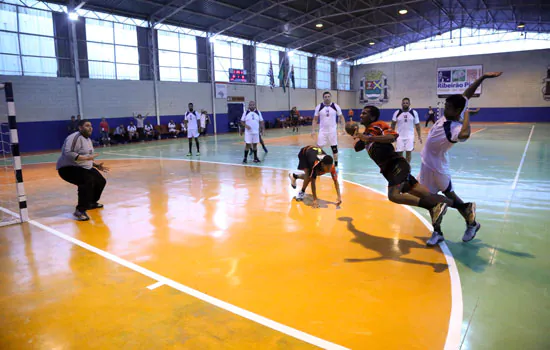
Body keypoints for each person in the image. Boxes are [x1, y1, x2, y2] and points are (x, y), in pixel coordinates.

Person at [419, 72, 502, 246]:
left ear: (457, 111)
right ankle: (438, 231)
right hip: (426, 165)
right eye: (445, 106)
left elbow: (464, 135)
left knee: (448, 198)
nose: (445, 109)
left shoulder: (454, 127)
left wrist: (467, 116)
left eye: (448, 107)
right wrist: (483, 77)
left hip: (438, 167)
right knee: (430, 200)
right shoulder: (449, 115)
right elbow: (466, 95)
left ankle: (470, 220)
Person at [351, 106, 457, 230]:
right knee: (427, 195)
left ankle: (432, 207)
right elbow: (357, 147)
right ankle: (463, 207)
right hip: (388, 170)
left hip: (396, 165)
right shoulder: (367, 132)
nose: (361, 115)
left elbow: (393, 136)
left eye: (364, 113)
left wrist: (369, 138)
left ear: (373, 117)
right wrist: (356, 134)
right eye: (361, 113)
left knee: (394, 195)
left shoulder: (378, 125)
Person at [56, 119, 109, 221]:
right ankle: (80, 211)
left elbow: (86, 158)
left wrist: (96, 165)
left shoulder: (88, 140)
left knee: (101, 181)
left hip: (81, 167)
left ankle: (91, 202)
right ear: (80, 128)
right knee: (87, 181)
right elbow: (68, 153)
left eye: (91, 126)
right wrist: (86, 158)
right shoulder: (74, 137)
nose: (90, 128)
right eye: (87, 126)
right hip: (67, 168)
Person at [312, 91, 345, 167]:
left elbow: (341, 117)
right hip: (322, 131)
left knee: (334, 147)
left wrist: (343, 129)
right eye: (325, 97)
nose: (327, 98)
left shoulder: (335, 106)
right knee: (319, 148)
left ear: (330, 97)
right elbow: (315, 119)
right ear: (323, 98)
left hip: (332, 131)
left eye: (328, 96)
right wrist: (313, 130)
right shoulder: (319, 107)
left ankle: (336, 164)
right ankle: (319, 163)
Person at [391, 98, 422, 164]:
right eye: (404, 103)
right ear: (401, 104)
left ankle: (407, 167)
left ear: (409, 104)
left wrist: (419, 136)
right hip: (399, 136)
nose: (405, 104)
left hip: (410, 136)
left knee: (408, 153)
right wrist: (391, 134)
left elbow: (417, 125)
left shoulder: (414, 112)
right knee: (399, 153)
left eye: (406, 103)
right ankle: (401, 166)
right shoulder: (397, 112)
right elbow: (393, 124)